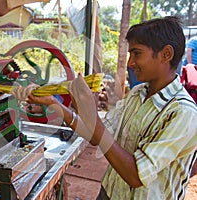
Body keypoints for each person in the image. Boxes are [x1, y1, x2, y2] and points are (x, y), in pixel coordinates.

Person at [13, 16, 197, 199]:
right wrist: (53, 103)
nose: (130, 63)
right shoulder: (137, 93)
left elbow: (136, 175)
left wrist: (90, 113)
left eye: (137, 53)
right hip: (109, 193)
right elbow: (95, 136)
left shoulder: (183, 112)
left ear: (166, 54)